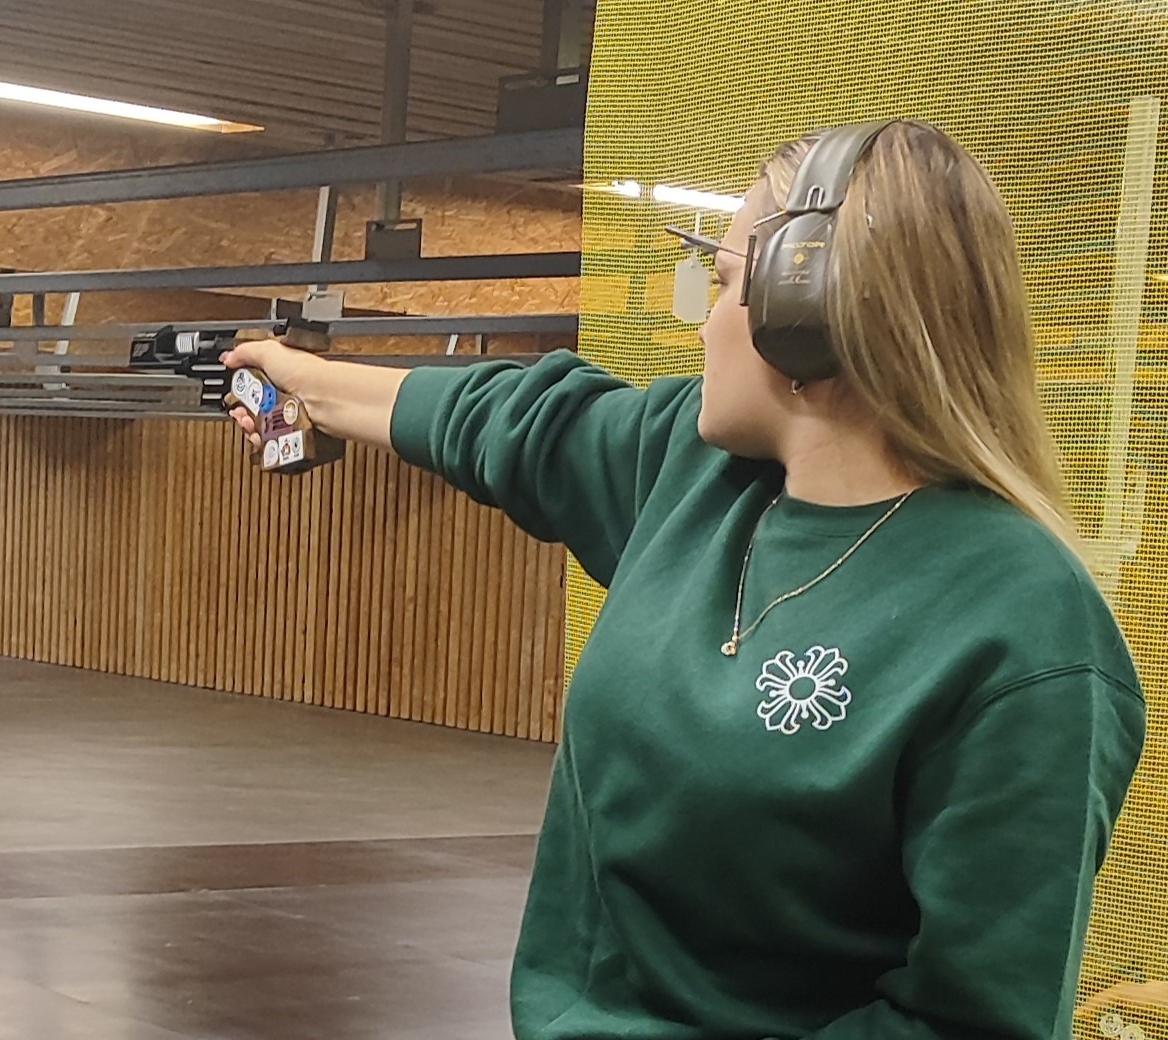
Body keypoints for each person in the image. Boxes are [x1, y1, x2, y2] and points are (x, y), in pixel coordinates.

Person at [221, 119, 1146, 1040]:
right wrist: (302, 381)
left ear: (805, 312)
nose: (704, 322)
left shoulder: (1023, 629)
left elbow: (971, 1023)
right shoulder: (693, 472)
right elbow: (500, 419)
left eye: (727, 281)